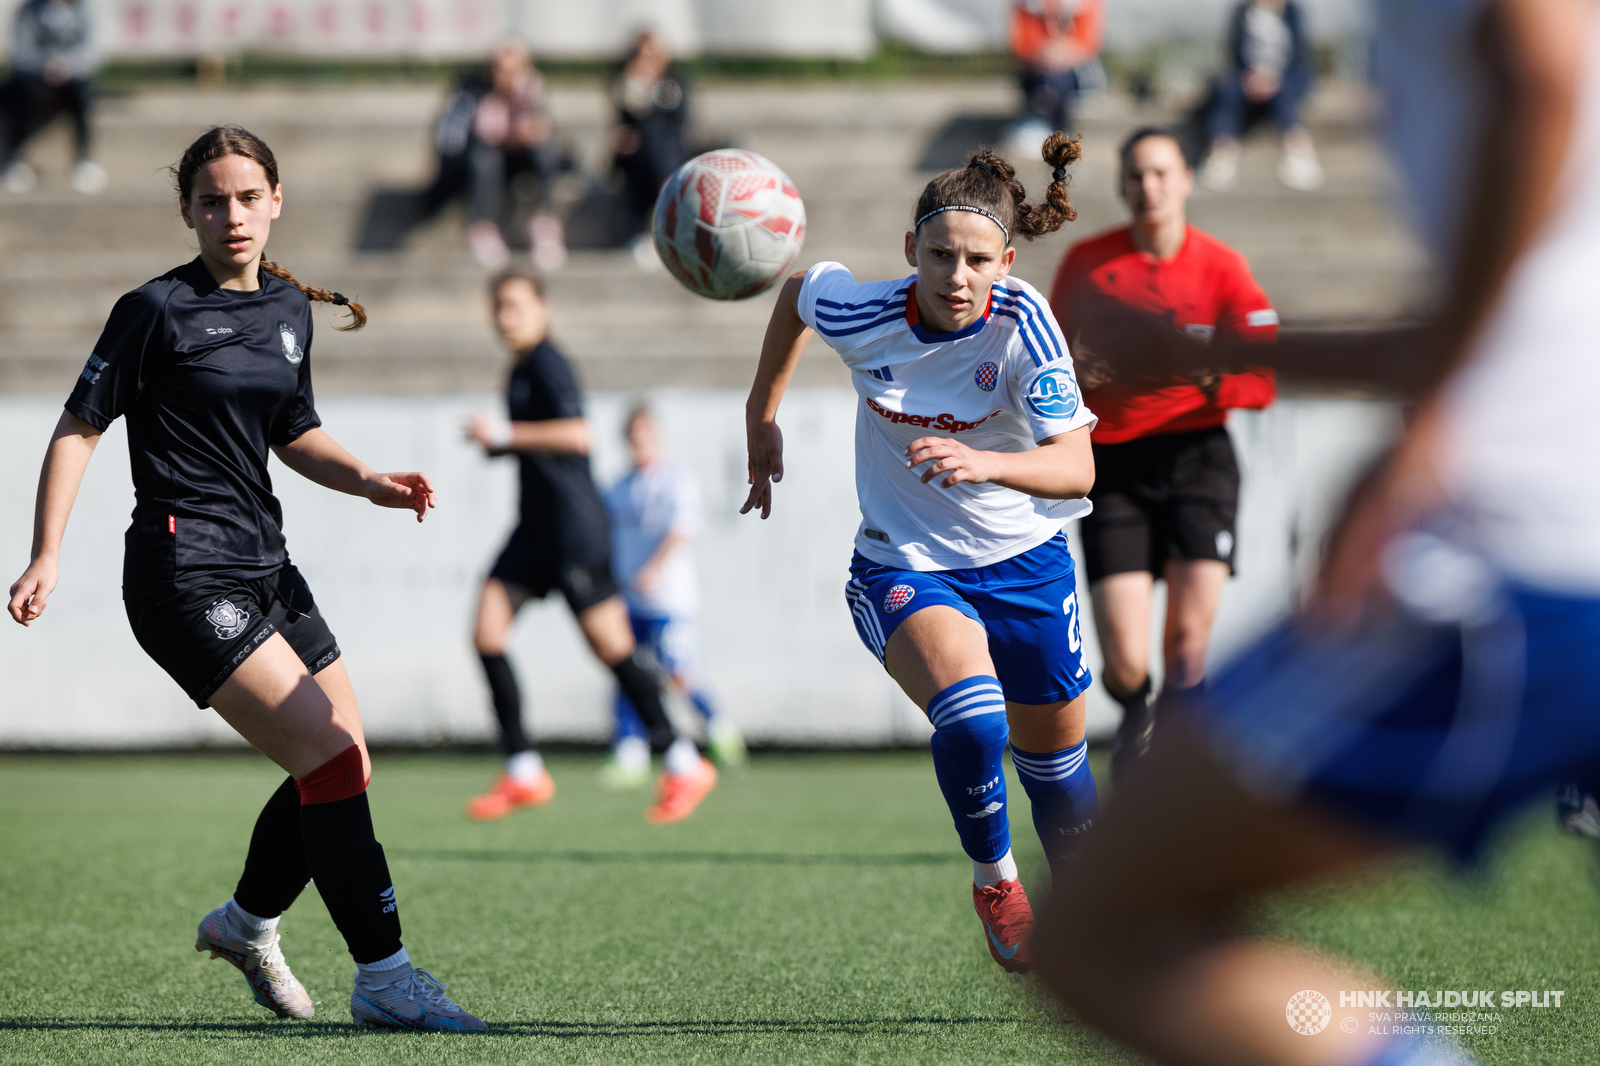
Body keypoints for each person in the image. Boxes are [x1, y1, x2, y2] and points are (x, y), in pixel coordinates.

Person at [1035, 0, 1600, 1063]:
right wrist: (1182, 351)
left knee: (1101, 927)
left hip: (1530, 554)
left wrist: (1432, 415)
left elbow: (1543, 71)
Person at [5, 126, 483, 1032]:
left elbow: (293, 430)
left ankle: (245, 925)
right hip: (183, 575)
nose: (232, 214)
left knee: (345, 761)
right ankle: (384, 979)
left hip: (268, 566)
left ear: (275, 202)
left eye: (247, 196)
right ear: (186, 210)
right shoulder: (153, 310)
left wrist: (370, 480)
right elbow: (78, 429)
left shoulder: (290, 313)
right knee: (332, 759)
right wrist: (47, 551)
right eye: (213, 199)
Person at [742, 134, 1097, 974]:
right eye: (940, 255)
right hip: (906, 565)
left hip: (1028, 566)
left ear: (1007, 261)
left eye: (978, 259)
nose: (957, 276)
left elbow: (1078, 466)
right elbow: (799, 291)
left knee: (1059, 777)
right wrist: (761, 415)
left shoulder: (1024, 329)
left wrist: (991, 464)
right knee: (974, 721)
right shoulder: (865, 314)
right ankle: (997, 882)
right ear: (912, 251)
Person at [1049, 126, 1277, 782]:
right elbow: (1048, 362)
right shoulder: (1088, 265)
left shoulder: (1222, 267)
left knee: (1185, 648)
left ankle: (1176, 774)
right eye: (1135, 176)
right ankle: (1139, 720)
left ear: (1185, 180)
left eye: (1160, 173)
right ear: (1121, 186)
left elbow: (1262, 378)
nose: (1148, 187)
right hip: (1112, 464)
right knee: (1123, 664)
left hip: (1199, 459)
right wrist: (1076, 371)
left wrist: (1209, 376)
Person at [464, 269, 717, 825]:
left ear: (542, 308)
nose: (506, 316)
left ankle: (682, 758)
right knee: (486, 631)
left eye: (516, 305)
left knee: (613, 650)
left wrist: (504, 436)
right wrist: (502, 449)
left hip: (574, 532)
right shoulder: (519, 370)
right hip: (533, 532)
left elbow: (578, 435)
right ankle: (524, 769)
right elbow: (545, 447)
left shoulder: (549, 363)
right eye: (499, 307)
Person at [600, 404, 744, 789]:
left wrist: (653, 569)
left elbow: (682, 529)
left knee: (679, 671)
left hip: (670, 600)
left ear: (656, 435)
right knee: (627, 673)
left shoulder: (676, 481)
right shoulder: (618, 487)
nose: (638, 440)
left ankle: (718, 727)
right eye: (632, 433)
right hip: (628, 600)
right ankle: (630, 751)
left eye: (644, 432)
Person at [1198, 0, 1322, 192]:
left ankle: (1299, 152)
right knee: (1228, 90)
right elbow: (1233, 55)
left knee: (1284, 92)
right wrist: (1252, 77)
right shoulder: (1241, 12)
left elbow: (1299, 57)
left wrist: (1272, 78)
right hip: (1247, 79)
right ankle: (1223, 154)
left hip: (1284, 79)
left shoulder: (1293, 12)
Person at [465, 40, 565, 271]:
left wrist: (535, 129)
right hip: (491, 160)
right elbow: (483, 133)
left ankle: (545, 225)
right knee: (485, 159)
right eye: (502, 69)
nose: (508, 76)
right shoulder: (478, 91)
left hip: (525, 159)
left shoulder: (535, 90)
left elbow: (546, 128)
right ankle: (484, 229)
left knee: (546, 152)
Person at [0, 0, 106, 195]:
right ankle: (15, 160)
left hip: (73, 77)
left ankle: (83, 160)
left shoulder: (84, 9)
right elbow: (20, 53)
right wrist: (45, 67)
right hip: (34, 78)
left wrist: (66, 66)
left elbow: (91, 52)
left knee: (81, 94)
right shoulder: (28, 10)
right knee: (24, 95)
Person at [610, 29, 690, 257]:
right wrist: (639, 87)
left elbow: (677, 121)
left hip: (669, 150)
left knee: (654, 144)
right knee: (644, 151)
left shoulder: (674, 83)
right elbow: (626, 119)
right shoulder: (625, 84)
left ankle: (645, 228)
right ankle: (664, 196)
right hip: (637, 155)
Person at [1007, 0, 1106, 154]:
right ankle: (1046, 125)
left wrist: (1065, 53)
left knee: (1058, 83)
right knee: (1047, 84)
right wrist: (1042, 54)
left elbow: (1088, 42)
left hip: (1073, 72)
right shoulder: (1025, 5)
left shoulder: (1085, 4)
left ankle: (1052, 129)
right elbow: (1021, 44)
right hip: (1037, 71)